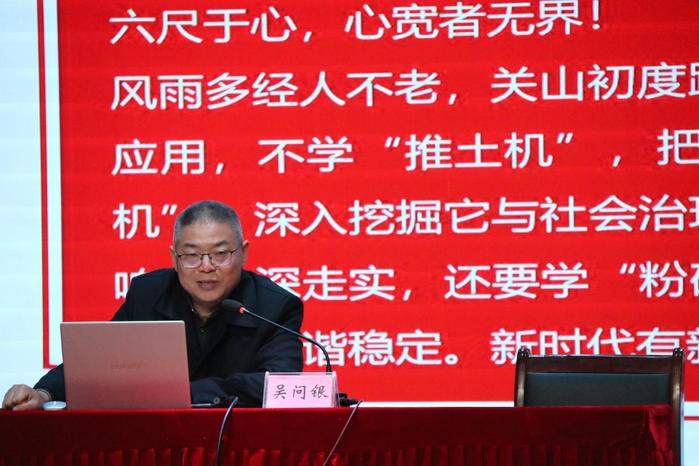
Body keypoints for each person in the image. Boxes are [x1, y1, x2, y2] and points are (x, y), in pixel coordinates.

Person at [2, 200, 303, 409]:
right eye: (191, 255)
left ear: (244, 253)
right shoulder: (149, 293)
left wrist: (181, 394)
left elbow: (279, 384)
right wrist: (43, 392)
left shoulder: (275, 307)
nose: (206, 267)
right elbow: (98, 363)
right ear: (174, 257)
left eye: (220, 254)